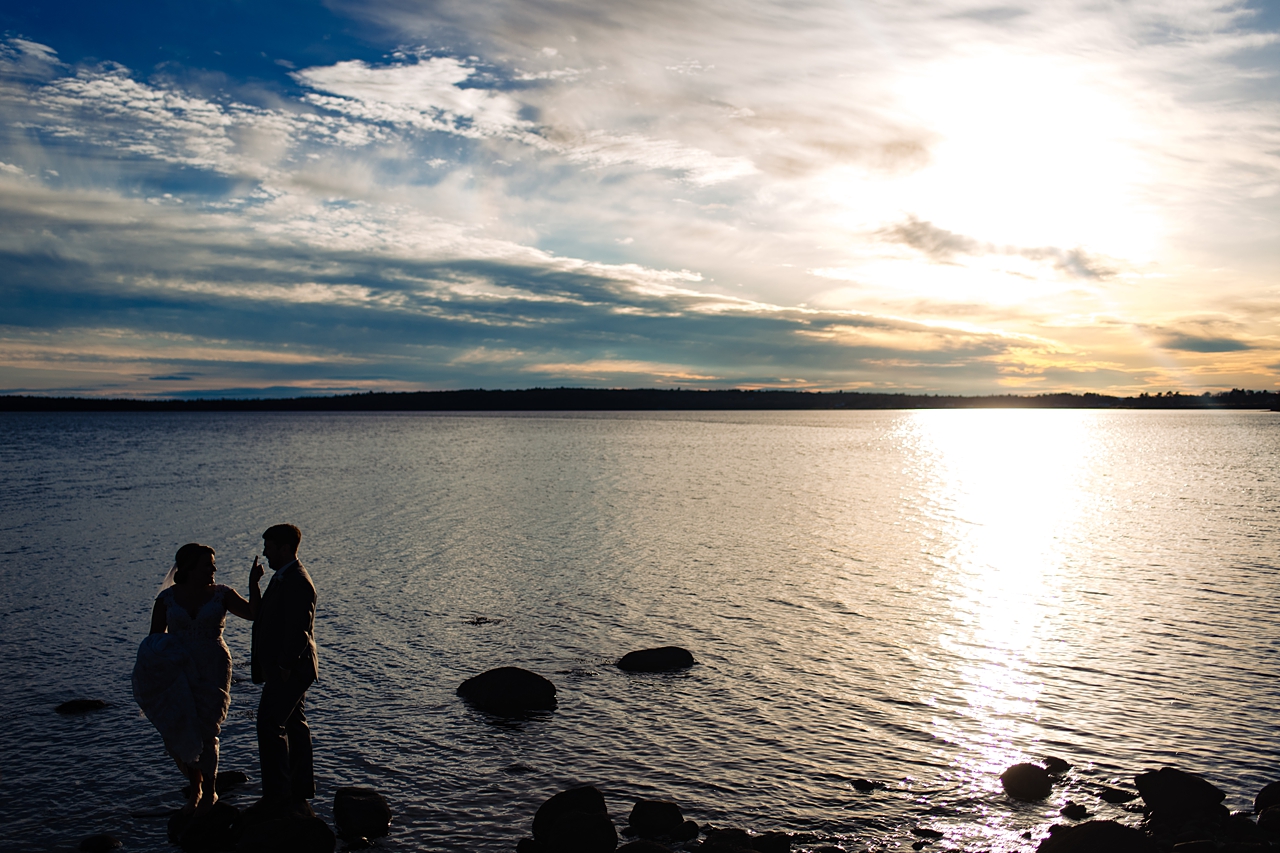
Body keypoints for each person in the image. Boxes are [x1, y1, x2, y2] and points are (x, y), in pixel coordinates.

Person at [132, 543, 254, 814]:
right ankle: (195, 787)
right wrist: (155, 673)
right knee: (179, 728)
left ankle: (209, 792)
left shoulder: (223, 594)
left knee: (208, 729)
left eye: (213, 564)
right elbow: (154, 639)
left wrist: (253, 584)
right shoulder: (167, 599)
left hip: (214, 665)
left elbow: (253, 614)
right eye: (208, 564)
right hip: (178, 669)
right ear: (188, 568)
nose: (214, 568)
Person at [249, 523, 318, 811]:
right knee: (294, 724)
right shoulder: (282, 577)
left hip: (290, 669)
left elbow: (299, 630)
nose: (264, 552)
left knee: (269, 724)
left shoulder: (298, 580)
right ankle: (299, 789)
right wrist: (254, 583)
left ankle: (276, 794)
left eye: (269, 546)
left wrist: (285, 665)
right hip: (286, 667)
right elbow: (262, 614)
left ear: (285, 548)